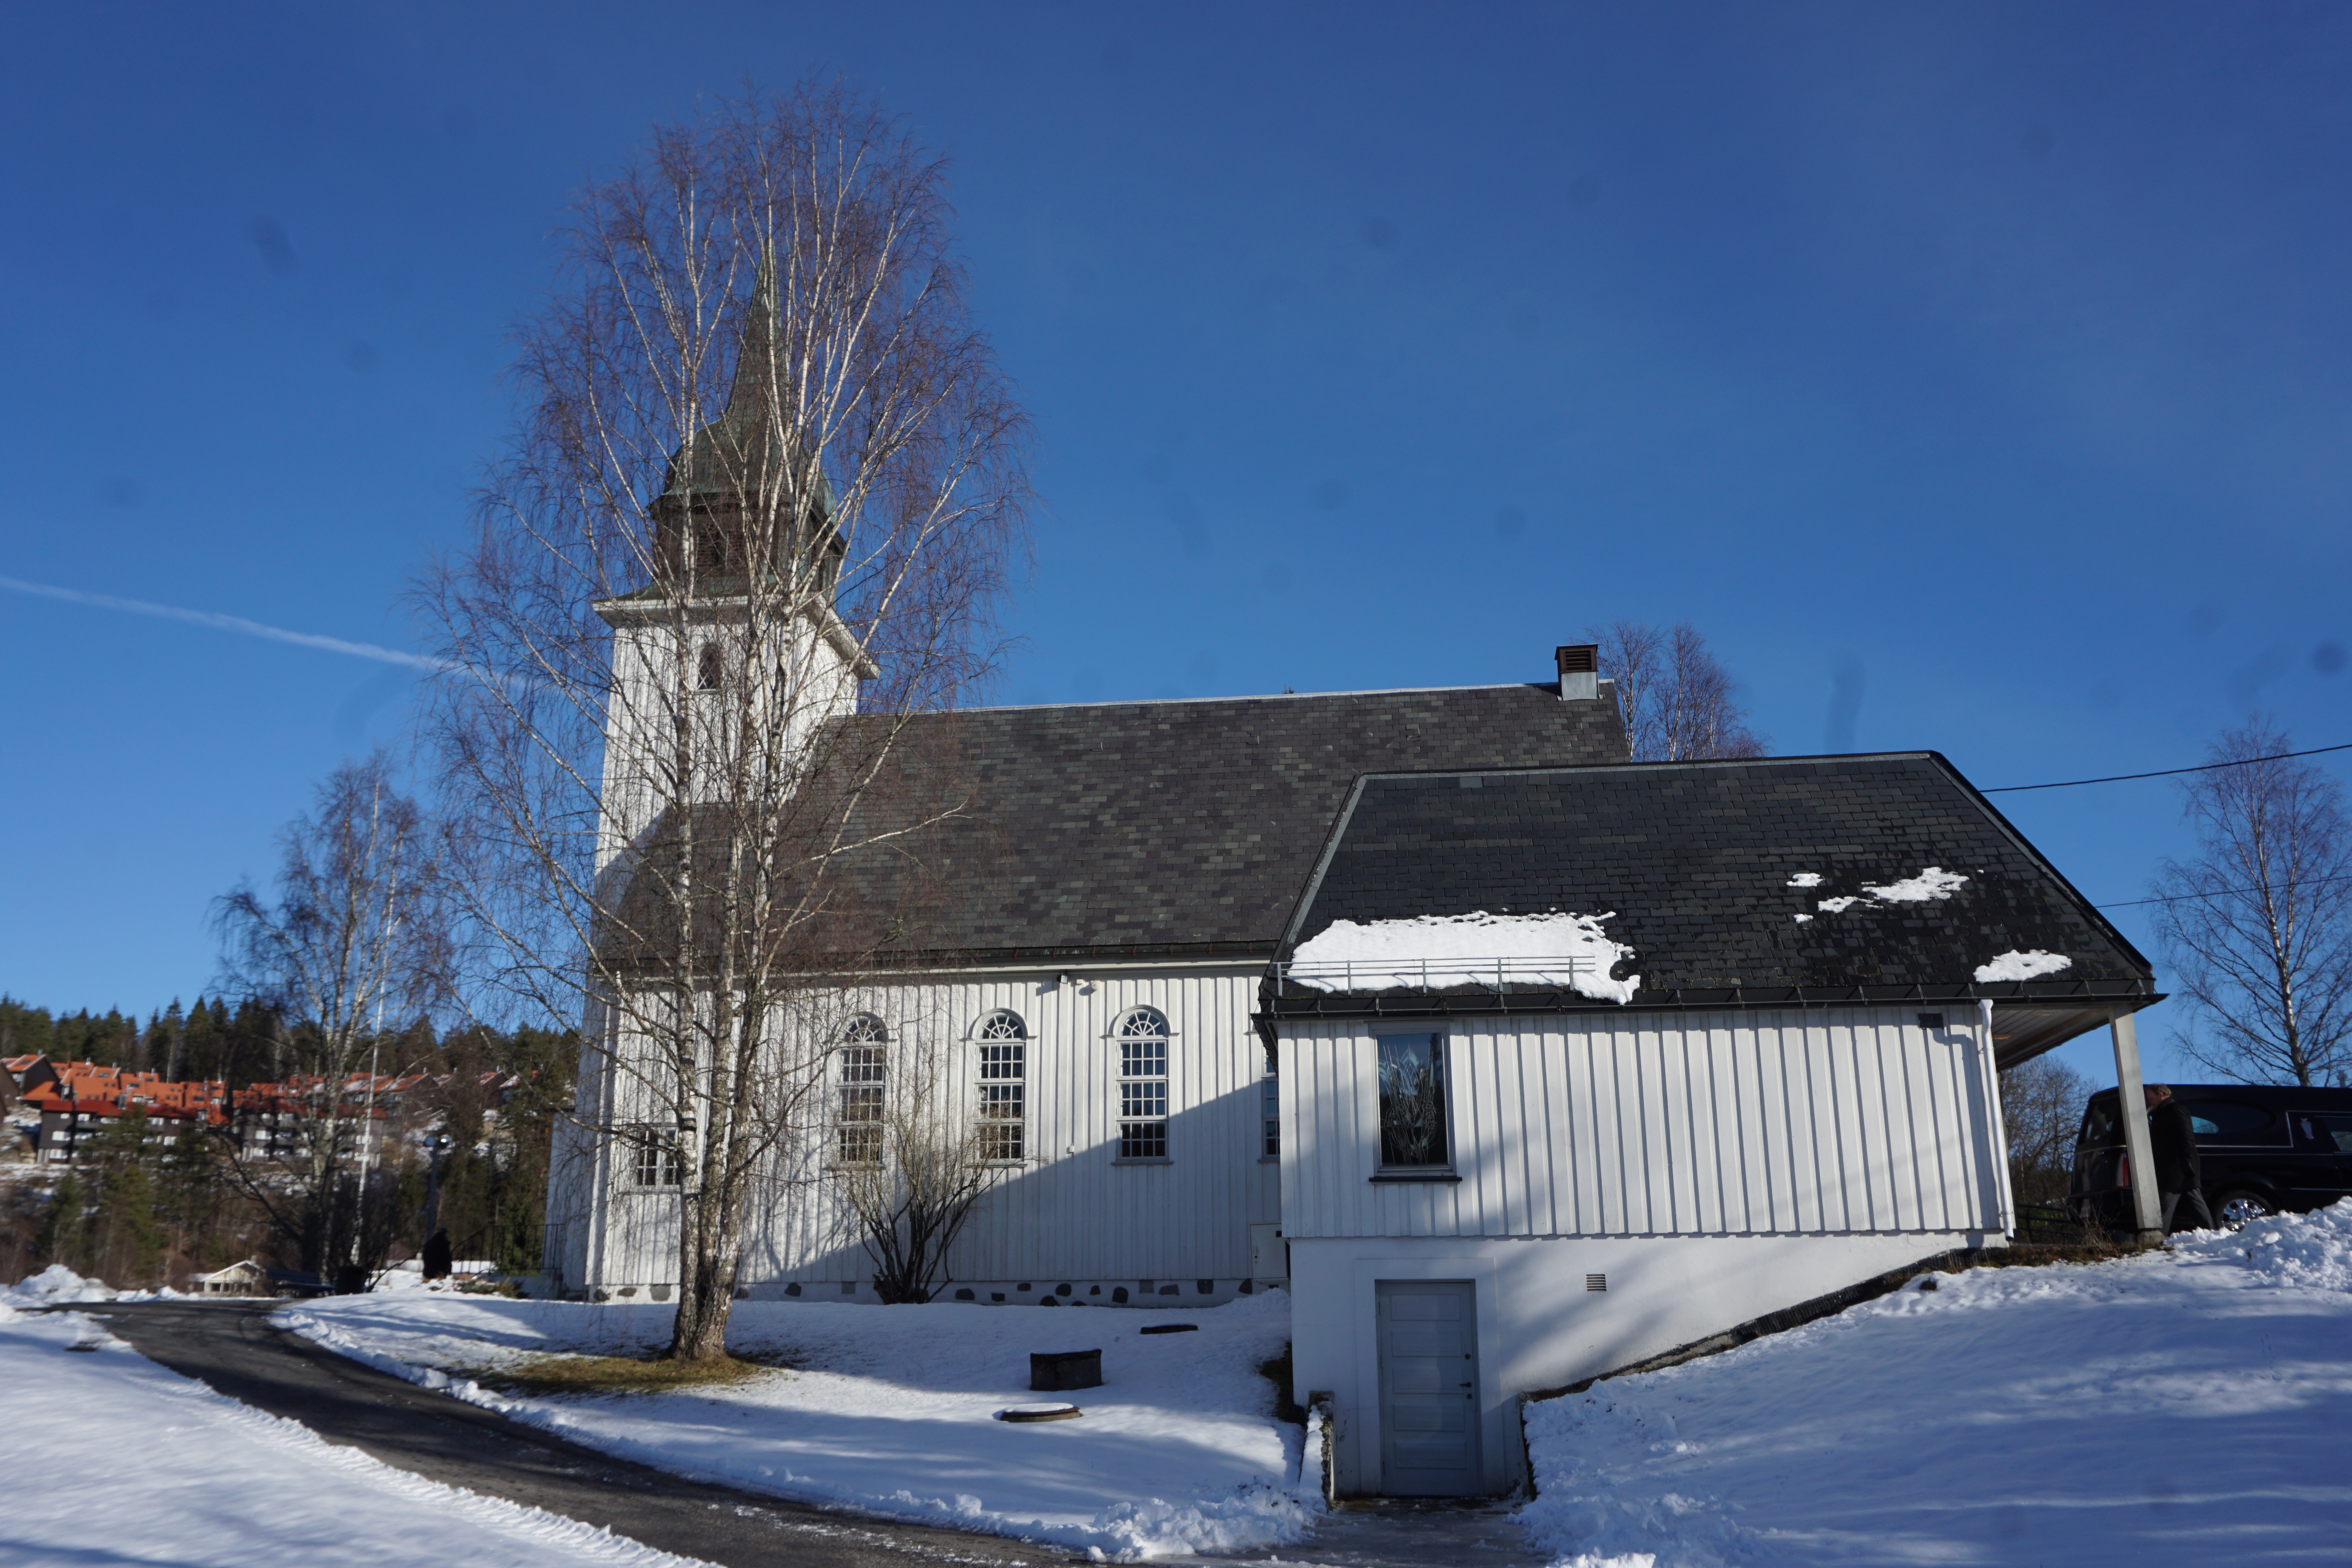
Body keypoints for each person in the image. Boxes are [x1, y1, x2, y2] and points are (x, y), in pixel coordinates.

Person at [2144, 1084, 2213, 1232]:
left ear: (2161, 1094)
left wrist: (2187, 1161)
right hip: (2178, 1166)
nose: (2150, 1101)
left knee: (2166, 1203)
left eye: (2151, 1098)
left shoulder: (2175, 1111)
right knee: (2194, 1200)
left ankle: (2158, 1236)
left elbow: (2187, 1137)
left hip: (2176, 1166)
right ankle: (2210, 1232)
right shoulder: (2163, 1113)